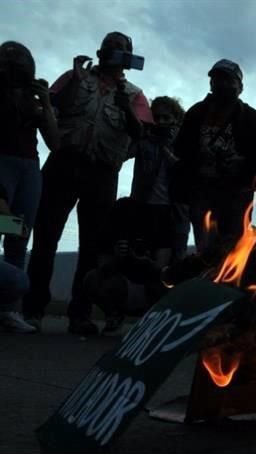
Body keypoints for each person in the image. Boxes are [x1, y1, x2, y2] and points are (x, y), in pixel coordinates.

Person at [23, 32, 152, 335]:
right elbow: (48, 107)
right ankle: (32, 310)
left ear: (130, 59)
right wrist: (76, 81)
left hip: (103, 172)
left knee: (92, 246)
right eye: (112, 48)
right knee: (45, 238)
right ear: (100, 51)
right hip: (64, 163)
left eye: (123, 50)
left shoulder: (135, 94)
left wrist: (124, 108)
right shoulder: (74, 76)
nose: (116, 53)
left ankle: (79, 315)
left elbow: (142, 136)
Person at [172, 59, 256, 256]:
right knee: (205, 251)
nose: (222, 84)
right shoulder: (196, 114)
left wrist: (242, 164)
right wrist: (199, 156)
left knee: (233, 252)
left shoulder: (253, 119)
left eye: (227, 80)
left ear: (240, 86)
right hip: (202, 193)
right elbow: (180, 149)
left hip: (237, 197)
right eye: (217, 79)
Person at [0, 41, 59, 333]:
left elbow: (54, 141)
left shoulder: (31, 98)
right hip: (3, 164)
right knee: (7, 226)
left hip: (29, 167)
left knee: (19, 235)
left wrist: (45, 103)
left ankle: (9, 310)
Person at [83, 197, 175, 334]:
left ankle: (154, 321)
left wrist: (145, 261)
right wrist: (117, 257)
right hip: (124, 286)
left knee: (167, 283)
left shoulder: (157, 227)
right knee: (92, 279)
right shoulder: (110, 233)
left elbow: (163, 268)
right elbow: (102, 269)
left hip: (149, 287)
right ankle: (114, 314)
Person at [131, 96, 186, 259]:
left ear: (176, 119)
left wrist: (166, 145)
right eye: (157, 117)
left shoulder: (184, 142)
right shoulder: (144, 140)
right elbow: (123, 154)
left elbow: (184, 171)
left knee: (176, 257)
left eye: (166, 117)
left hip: (173, 209)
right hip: (145, 206)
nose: (161, 121)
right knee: (145, 256)